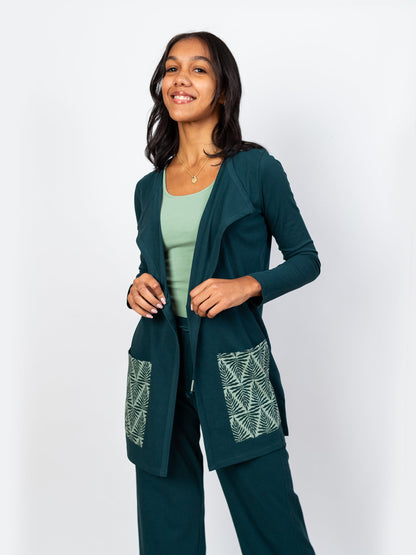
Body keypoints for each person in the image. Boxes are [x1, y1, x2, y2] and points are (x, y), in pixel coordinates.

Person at [126, 30, 320, 555]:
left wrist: (247, 285)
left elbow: (306, 259)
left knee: (272, 522)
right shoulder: (149, 188)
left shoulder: (256, 170)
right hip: (156, 362)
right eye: (171, 68)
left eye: (198, 69)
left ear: (223, 89)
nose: (180, 79)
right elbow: (152, 268)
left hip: (234, 359)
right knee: (165, 527)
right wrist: (136, 287)